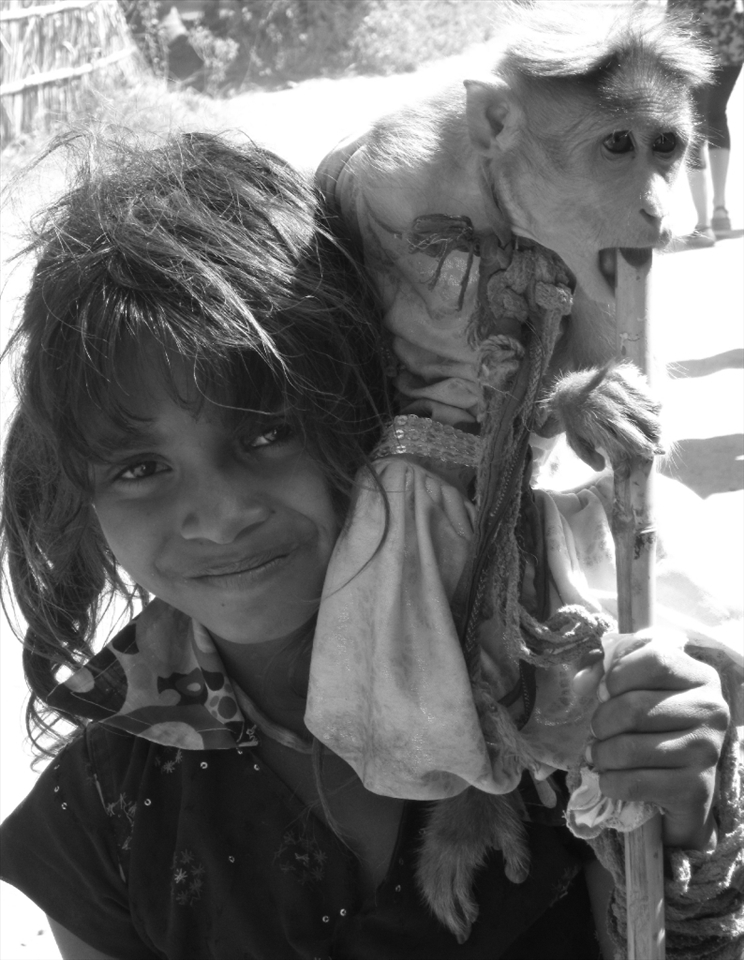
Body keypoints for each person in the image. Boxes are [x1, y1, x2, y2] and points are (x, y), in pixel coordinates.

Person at [0, 131, 741, 960]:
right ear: (80, 492)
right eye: (140, 468)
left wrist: (678, 829)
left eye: (270, 431)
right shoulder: (99, 813)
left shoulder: (559, 681)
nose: (218, 516)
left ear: (374, 406)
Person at [668, 0, 744, 244]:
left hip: (692, 36)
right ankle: (719, 212)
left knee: (694, 122)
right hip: (729, 34)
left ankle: (704, 225)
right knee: (716, 115)